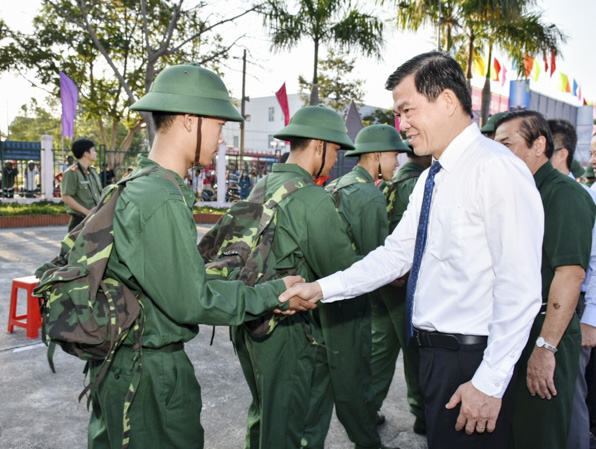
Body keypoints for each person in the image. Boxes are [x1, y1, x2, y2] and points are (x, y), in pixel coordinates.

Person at [280, 51, 545, 449]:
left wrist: (489, 383)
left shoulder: (497, 170)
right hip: (435, 358)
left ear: (448, 102)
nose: (401, 126)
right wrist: (321, 289)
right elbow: (395, 255)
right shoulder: (431, 179)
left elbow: (521, 287)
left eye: (407, 111)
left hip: (472, 360)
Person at [87, 63, 311, 449]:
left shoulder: (139, 185)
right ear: (190, 121)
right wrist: (270, 293)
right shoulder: (159, 198)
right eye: (220, 126)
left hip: (125, 367)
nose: (223, 139)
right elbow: (191, 300)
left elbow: (173, 281)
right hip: (149, 378)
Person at [228, 106, 391, 449]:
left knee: (265, 413)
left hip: (253, 320)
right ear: (318, 146)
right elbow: (342, 268)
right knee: (296, 425)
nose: (335, 160)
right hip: (290, 334)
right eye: (334, 150)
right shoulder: (311, 198)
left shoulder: (266, 183)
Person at [494, 111, 595, 449]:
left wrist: (545, 348)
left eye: (507, 144)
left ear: (539, 145)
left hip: (544, 329)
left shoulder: (564, 195)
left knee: (538, 434)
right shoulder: (518, 192)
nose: (499, 153)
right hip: (513, 327)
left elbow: (570, 274)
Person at [321, 124, 403, 449]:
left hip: (330, 288)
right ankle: (367, 436)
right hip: (351, 299)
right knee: (355, 375)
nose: (397, 162)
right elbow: (377, 264)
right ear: (378, 155)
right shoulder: (370, 195)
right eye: (394, 155)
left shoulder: (340, 183)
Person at [371, 138, 431, 433]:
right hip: (407, 282)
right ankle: (422, 415)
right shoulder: (420, 183)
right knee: (415, 350)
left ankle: (367, 409)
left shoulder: (391, 183)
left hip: (385, 279)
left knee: (381, 348)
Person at [547, 118, 596, 449]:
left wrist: (590, 317)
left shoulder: (577, 196)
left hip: (573, 310)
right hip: (551, 306)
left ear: (557, 152)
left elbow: (590, 265)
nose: (591, 159)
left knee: (570, 394)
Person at [61, 139, 103, 231]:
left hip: (95, 219)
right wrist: (87, 212)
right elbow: (66, 197)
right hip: (80, 221)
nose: (95, 153)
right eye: (93, 150)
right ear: (86, 154)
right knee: (72, 245)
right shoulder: (72, 172)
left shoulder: (93, 172)